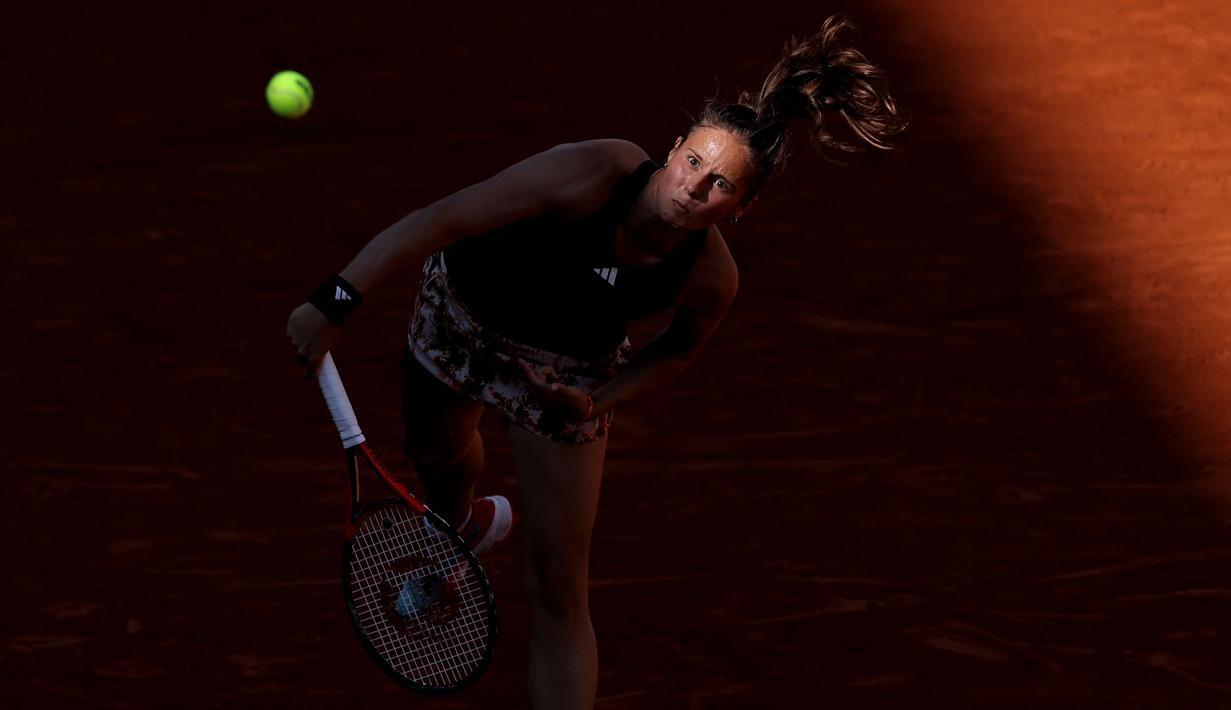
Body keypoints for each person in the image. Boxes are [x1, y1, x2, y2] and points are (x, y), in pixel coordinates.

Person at [287, 14, 906, 709]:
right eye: (692, 163)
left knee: (559, 586)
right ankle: (458, 528)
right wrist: (333, 301)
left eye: (720, 185)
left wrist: (593, 402)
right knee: (436, 453)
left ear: (742, 206)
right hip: (461, 318)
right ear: (672, 149)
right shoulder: (591, 172)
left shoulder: (710, 279)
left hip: (568, 371)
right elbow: (441, 218)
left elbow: (676, 351)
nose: (693, 188)